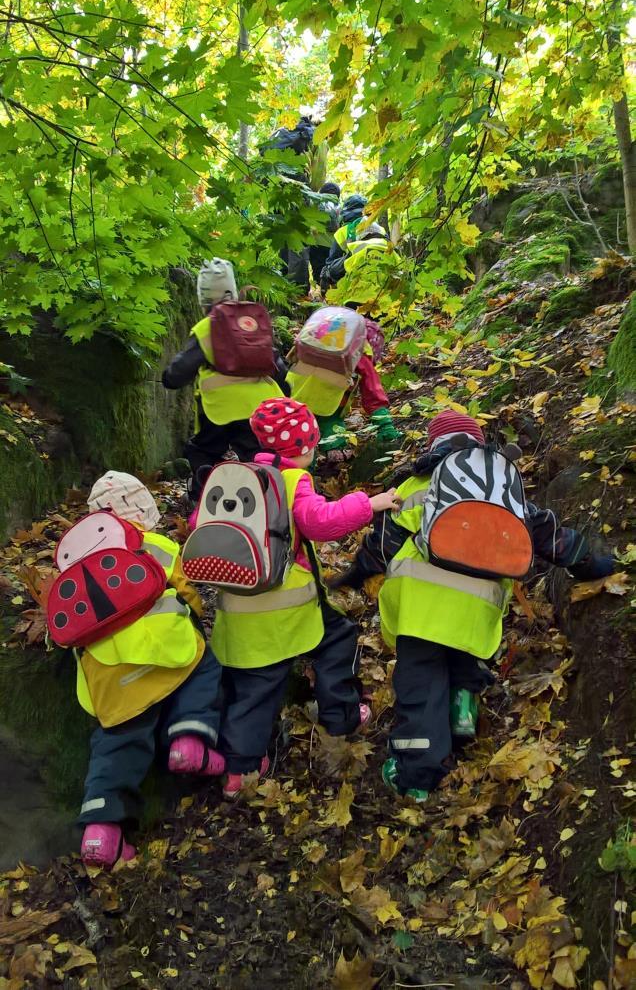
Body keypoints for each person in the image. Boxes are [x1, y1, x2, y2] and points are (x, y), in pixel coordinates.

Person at [329, 409, 617, 803]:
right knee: (464, 665)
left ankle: (417, 775)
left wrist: (354, 577)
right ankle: (463, 716)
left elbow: (382, 546)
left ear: (432, 447)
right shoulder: (500, 490)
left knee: (421, 686)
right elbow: (550, 536)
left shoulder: (415, 485)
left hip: (420, 607)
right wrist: (596, 563)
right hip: (478, 609)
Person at [211, 397, 400, 799]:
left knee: (253, 688)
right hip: (286, 607)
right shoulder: (293, 480)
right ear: (305, 446)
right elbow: (320, 522)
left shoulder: (236, 476)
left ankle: (239, 771)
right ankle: (342, 715)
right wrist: (371, 503)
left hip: (237, 606)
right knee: (338, 639)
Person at [67, 472, 225, 866]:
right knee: (202, 674)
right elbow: (187, 591)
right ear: (143, 513)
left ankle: (101, 831)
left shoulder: (76, 560)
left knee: (117, 739)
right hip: (166, 651)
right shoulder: (156, 544)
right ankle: (190, 740)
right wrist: (197, 618)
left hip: (109, 672)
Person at [162, 259, 289, 500]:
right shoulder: (252, 322)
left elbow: (182, 368)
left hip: (219, 408)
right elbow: (277, 366)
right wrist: (286, 394)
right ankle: (267, 495)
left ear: (203, 299)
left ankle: (206, 492)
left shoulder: (206, 326)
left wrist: (169, 379)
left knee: (202, 450)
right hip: (259, 407)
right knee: (256, 452)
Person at [287, 310, 400, 451]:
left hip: (294, 392)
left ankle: (299, 466)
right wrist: (385, 425)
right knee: (331, 429)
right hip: (328, 402)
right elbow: (372, 391)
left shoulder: (321, 338)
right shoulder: (357, 351)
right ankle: (332, 459)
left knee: (301, 436)